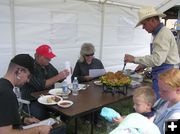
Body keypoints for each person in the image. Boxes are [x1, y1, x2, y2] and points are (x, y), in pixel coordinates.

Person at [124, 6, 180, 99]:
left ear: (153, 21)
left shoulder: (162, 34)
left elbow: (157, 60)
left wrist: (134, 59)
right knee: (161, 103)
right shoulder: (160, 33)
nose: (143, 28)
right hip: (165, 71)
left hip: (166, 73)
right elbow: (158, 56)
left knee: (161, 103)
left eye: (144, 24)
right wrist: (144, 65)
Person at [0, 54, 51, 134]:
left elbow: (3, 118)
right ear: (19, 71)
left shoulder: (2, 85)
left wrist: (23, 119)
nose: (28, 80)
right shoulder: (7, 94)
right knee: (59, 128)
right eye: (28, 76)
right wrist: (38, 130)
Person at [21, 44, 69, 120]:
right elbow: (41, 85)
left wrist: (64, 75)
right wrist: (59, 76)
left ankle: (60, 124)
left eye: (50, 57)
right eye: (47, 58)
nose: (50, 59)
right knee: (42, 115)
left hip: (48, 97)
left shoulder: (48, 65)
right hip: (32, 100)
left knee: (64, 107)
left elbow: (56, 77)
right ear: (38, 56)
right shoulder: (28, 68)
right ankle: (52, 127)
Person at [71, 42, 105, 127]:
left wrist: (102, 76)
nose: (90, 57)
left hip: (96, 87)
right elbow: (73, 78)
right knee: (87, 98)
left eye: (92, 54)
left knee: (98, 98)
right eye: (87, 55)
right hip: (83, 88)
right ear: (83, 54)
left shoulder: (97, 62)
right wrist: (84, 78)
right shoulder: (79, 63)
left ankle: (97, 119)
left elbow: (104, 74)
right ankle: (87, 117)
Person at [154, 68, 180, 134]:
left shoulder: (176, 116)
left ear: (178, 90)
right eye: (159, 89)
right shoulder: (165, 100)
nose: (160, 92)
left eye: (164, 91)